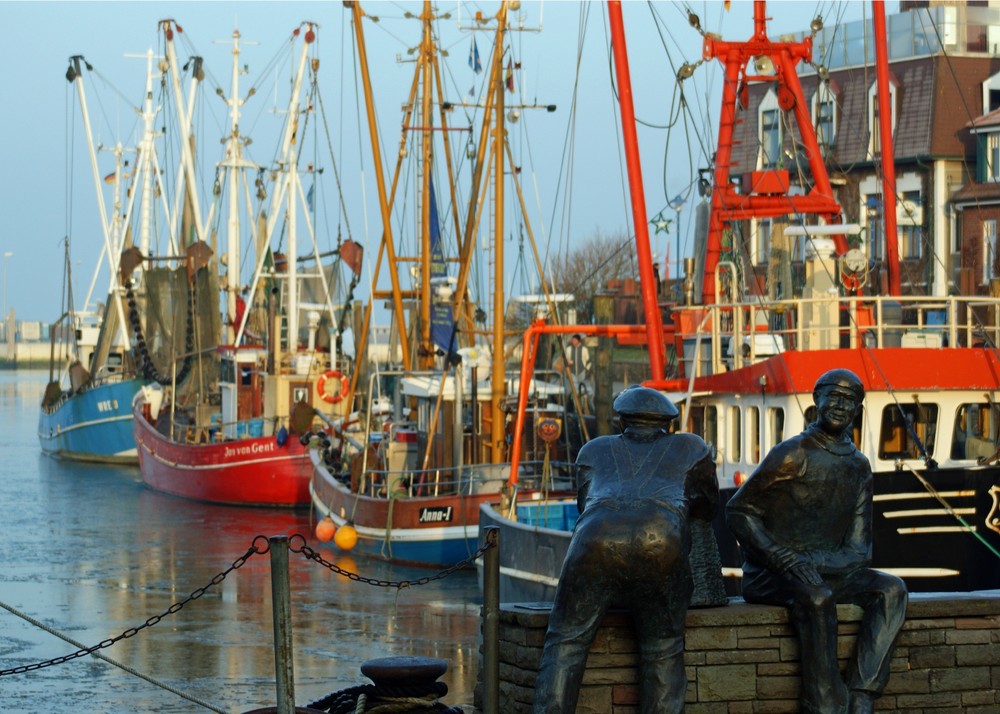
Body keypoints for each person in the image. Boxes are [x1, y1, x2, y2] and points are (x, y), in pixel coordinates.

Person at [726, 369, 907, 714]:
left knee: (892, 589)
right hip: (773, 574)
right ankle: (824, 705)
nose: (841, 405)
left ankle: (862, 694)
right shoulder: (792, 454)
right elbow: (739, 511)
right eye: (834, 396)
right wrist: (781, 557)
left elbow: (858, 550)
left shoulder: (859, 466)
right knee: (818, 597)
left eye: (850, 399)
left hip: (824, 569)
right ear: (817, 400)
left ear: (858, 408)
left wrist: (816, 563)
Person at [533, 386, 719, 714]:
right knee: (663, 651)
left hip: (596, 538)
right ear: (668, 423)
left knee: (565, 644)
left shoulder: (592, 450)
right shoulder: (693, 448)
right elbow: (707, 507)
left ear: (621, 421)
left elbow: (584, 505)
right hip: (661, 540)